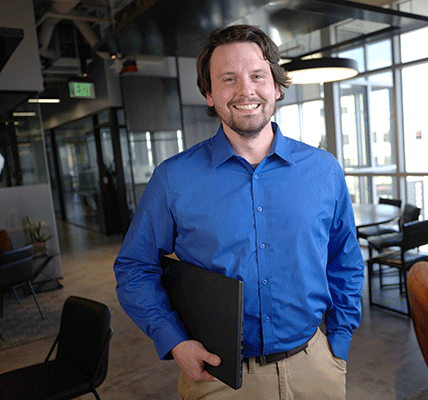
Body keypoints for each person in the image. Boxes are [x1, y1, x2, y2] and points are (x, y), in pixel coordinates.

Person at [113, 24, 364, 400]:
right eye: (228, 79)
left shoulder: (323, 169)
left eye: (258, 76)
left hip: (315, 368)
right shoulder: (174, 178)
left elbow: (345, 259)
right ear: (210, 94)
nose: (246, 90)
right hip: (218, 378)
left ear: (276, 86)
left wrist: (338, 343)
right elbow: (134, 267)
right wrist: (176, 342)